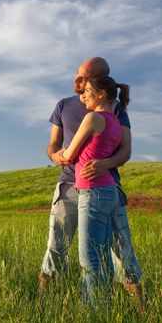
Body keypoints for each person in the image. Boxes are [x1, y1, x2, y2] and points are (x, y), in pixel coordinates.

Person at [38, 58, 143, 310]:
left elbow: (125, 151)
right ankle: (40, 304)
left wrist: (105, 165)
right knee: (56, 246)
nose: (77, 81)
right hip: (69, 187)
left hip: (104, 187)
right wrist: (56, 157)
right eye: (78, 75)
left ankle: (141, 311)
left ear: (100, 82)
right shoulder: (63, 105)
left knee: (120, 249)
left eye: (84, 79)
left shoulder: (116, 109)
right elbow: (53, 145)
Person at [61, 75, 128, 306]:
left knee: (89, 259)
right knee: (103, 258)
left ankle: (93, 312)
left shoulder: (93, 118)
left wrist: (60, 155)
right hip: (108, 191)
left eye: (88, 90)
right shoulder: (115, 123)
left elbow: (69, 154)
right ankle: (105, 306)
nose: (83, 95)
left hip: (92, 192)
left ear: (101, 93)